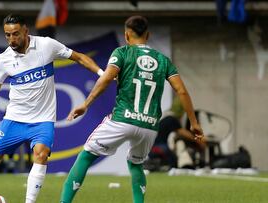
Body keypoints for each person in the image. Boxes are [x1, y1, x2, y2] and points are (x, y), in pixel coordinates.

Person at [0, 14, 103, 203]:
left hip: (43, 120)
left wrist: (102, 73)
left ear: (26, 30)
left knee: (41, 154)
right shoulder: (4, 59)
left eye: (15, 34)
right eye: (7, 35)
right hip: (15, 119)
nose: (11, 39)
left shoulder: (46, 45)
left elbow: (79, 57)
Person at [59, 15, 204, 203]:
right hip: (149, 125)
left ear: (127, 35)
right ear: (148, 35)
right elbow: (181, 91)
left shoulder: (122, 53)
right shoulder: (163, 60)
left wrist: (85, 104)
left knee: (86, 155)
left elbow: (105, 80)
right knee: (136, 164)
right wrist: (194, 123)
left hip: (122, 119)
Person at [149, 97, 207, 170]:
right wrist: (198, 140)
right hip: (159, 147)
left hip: (152, 147)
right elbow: (182, 132)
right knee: (174, 156)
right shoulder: (172, 119)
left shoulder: (166, 117)